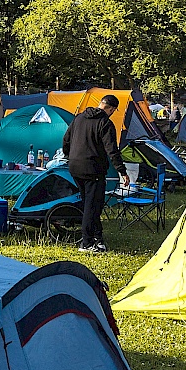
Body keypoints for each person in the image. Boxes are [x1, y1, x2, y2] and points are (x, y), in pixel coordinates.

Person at [62, 94, 128, 253]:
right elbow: (112, 150)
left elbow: (66, 140)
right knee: (92, 207)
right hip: (93, 169)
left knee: (91, 203)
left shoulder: (79, 118)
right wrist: (122, 171)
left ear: (100, 104)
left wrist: (69, 156)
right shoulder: (105, 122)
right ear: (111, 109)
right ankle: (86, 243)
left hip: (75, 167)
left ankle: (98, 239)